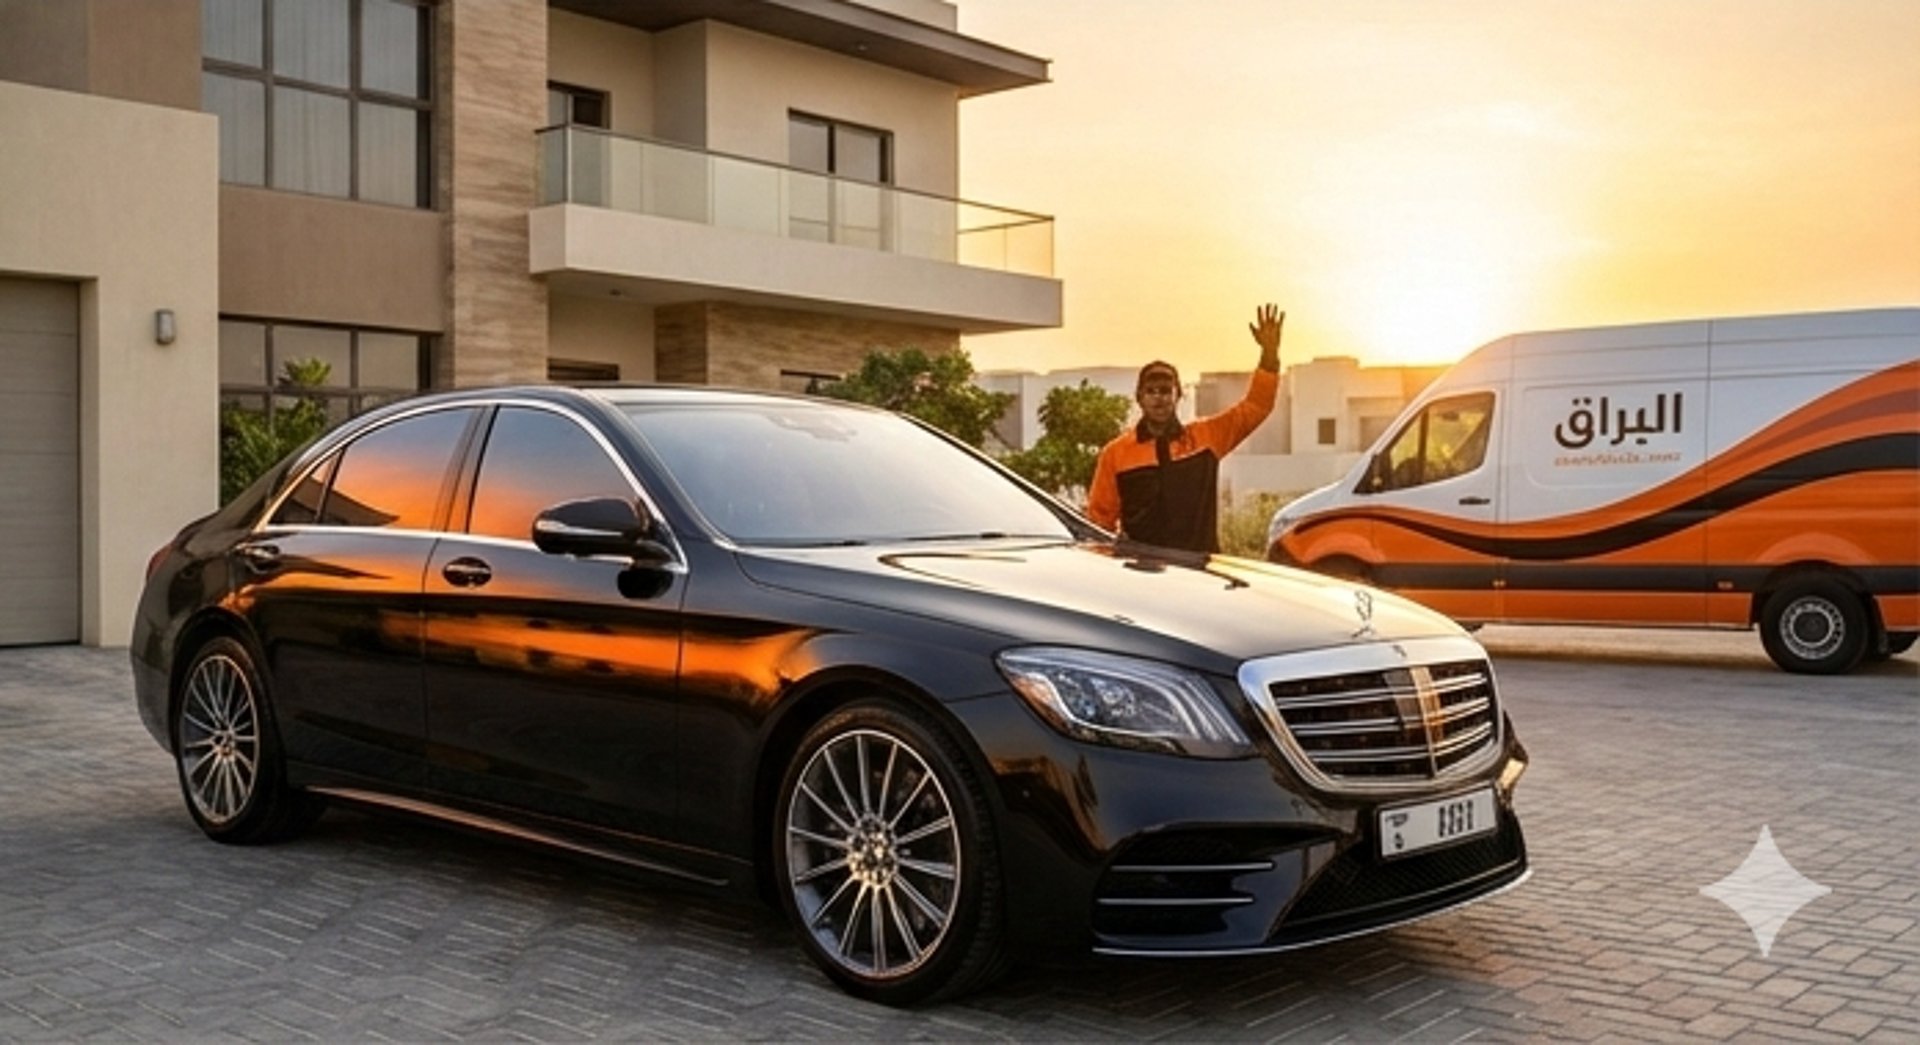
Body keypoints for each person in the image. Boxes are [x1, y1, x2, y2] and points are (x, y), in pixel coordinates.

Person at [1087, 304, 1284, 553]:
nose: (1159, 398)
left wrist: (1269, 355)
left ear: (1178, 395)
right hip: (1141, 575)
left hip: (1200, 570)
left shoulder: (1206, 437)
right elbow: (1099, 522)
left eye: (1166, 390)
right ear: (1139, 397)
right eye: (1151, 391)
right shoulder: (1116, 454)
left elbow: (1256, 406)